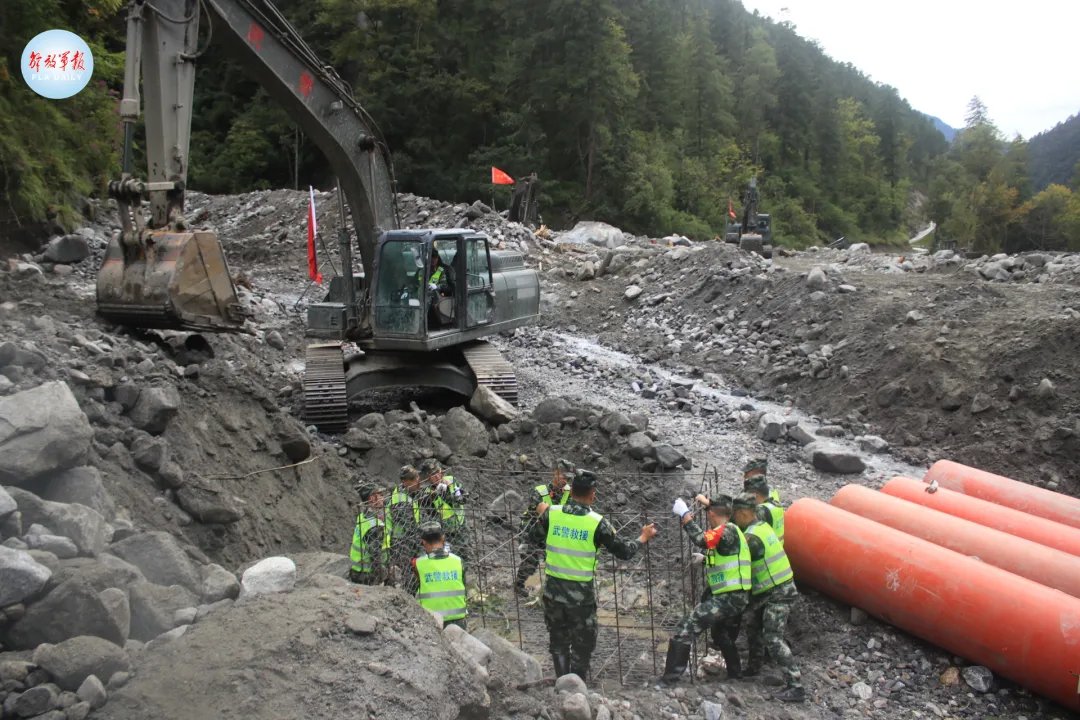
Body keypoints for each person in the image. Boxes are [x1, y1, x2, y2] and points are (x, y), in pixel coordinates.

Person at [530, 469, 658, 682]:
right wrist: (643, 537)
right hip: (581, 599)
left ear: (571, 493)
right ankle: (576, 685)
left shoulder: (551, 514)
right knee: (583, 643)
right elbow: (625, 551)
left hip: (553, 593)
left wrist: (545, 519)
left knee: (558, 640)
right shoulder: (597, 523)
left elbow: (534, 538)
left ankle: (563, 683)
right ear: (592, 495)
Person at [661, 494, 751, 685]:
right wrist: (705, 560)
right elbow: (724, 559)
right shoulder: (730, 530)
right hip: (734, 595)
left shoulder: (726, 530)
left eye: (708, 512)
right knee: (720, 633)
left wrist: (685, 515)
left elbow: (702, 539)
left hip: (729, 597)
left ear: (711, 514)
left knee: (686, 627)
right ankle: (736, 674)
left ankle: (670, 680)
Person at [732, 493, 804, 703]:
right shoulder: (762, 525)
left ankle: (796, 685)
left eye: (735, 515)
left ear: (744, 513)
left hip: (779, 592)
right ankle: (754, 667)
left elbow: (736, 558)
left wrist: (707, 557)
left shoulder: (753, 538)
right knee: (752, 623)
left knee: (773, 637)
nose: (734, 520)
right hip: (768, 590)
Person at [514, 458, 574, 596]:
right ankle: (519, 585)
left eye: (568, 478)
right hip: (533, 531)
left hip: (553, 532)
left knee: (554, 562)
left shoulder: (569, 492)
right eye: (563, 476)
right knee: (530, 561)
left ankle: (552, 589)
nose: (565, 481)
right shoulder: (539, 491)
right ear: (555, 473)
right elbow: (538, 512)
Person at [413, 521, 468, 629]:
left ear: (423, 542)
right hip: (458, 619)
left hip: (431, 620)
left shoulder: (418, 564)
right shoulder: (458, 561)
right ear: (443, 538)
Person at [420, 459, 468, 563]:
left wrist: (453, 491)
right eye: (433, 474)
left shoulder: (451, 479)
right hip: (445, 533)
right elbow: (430, 514)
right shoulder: (426, 493)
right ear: (428, 477)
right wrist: (437, 493)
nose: (437, 476)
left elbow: (464, 499)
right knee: (448, 560)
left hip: (461, 526)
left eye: (438, 472)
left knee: (465, 558)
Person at [386, 465, 425, 592]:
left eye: (417, 477)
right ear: (405, 482)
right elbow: (408, 526)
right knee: (408, 574)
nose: (418, 481)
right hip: (402, 542)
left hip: (407, 540)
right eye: (414, 479)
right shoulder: (400, 501)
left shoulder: (407, 493)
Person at [348, 484, 389, 585]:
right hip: (368, 574)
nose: (383, 498)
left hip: (357, 569)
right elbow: (375, 555)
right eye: (380, 494)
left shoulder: (362, 516)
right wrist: (379, 576)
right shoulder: (375, 525)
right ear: (372, 498)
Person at [742, 460, 784, 544]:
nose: (744, 476)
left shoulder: (762, 508)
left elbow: (745, 520)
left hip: (764, 548)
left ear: (757, 473)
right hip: (775, 547)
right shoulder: (768, 492)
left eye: (747, 473)